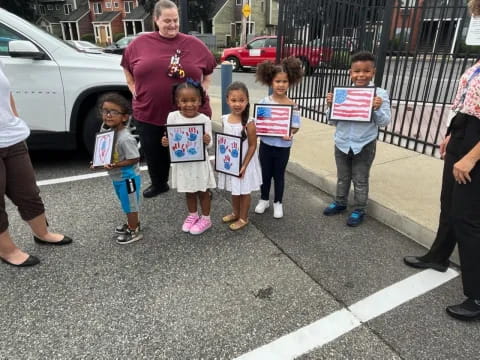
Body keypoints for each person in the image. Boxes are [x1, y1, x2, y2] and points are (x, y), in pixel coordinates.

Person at [403, 60, 480, 320]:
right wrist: (452, 132)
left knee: (466, 218)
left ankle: (477, 295)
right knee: (447, 204)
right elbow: (466, 102)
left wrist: (471, 157)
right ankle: (438, 256)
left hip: (476, 144)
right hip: (463, 131)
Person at [121, 0, 217, 199]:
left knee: (195, 150)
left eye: (175, 20)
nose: (172, 24)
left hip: (191, 112)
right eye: (167, 20)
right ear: (156, 20)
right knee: (154, 151)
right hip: (149, 110)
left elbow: (208, 71)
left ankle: (202, 186)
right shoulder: (139, 44)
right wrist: (132, 87)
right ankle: (159, 183)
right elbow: (127, 68)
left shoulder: (194, 45)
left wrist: (203, 90)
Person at [0, 62, 72, 267]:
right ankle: (7, 250)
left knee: (28, 191)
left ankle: (42, 233)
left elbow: (6, 94)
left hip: (11, 136)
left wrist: (15, 120)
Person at [323, 51, 391, 227]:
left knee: (360, 179)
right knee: (343, 176)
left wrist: (377, 108)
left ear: (373, 72)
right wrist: (330, 106)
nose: (361, 75)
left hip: (364, 143)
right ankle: (340, 202)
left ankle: (359, 209)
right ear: (350, 72)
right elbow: (332, 120)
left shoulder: (380, 94)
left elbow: (384, 122)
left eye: (366, 71)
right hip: (342, 142)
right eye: (357, 71)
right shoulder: (342, 93)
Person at [161, 80, 216, 235]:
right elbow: (171, 139)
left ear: (200, 100)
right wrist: (166, 142)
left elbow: (209, 144)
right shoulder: (172, 117)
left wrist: (207, 140)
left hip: (199, 164)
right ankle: (193, 215)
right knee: (189, 191)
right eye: (184, 101)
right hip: (183, 163)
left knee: (203, 191)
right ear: (177, 101)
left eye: (193, 100)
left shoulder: (204, 120)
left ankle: (206, 218)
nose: (189, 104)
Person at [254, 57, 303, 219]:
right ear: (271, 82)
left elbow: (295, 125)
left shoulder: (293, 105)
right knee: (265, 174)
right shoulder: (264, 102)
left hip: (283, 146)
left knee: (279, 175)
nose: (281, 85)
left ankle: (278, 202)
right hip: (266, 145)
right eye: (277, 81)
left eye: (285, 81)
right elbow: (259, 123)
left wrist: (291, 132)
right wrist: (258, 128)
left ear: (290, 82)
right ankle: (264, 199)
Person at [95, 93, 142, 244]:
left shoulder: (125, 138)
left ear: (124, 117)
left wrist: (115, 165)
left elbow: (134, 158)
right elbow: (105, 154)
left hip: (128, 178)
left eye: (114, 112)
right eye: (105, 111)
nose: (108, 115)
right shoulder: (108, 134)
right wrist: (97, 162)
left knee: (130, 205)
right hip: (117, 177)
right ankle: (132, 224)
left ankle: (134, 230)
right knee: (125, 203)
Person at [218, 82, 262, 230]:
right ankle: (235, 212)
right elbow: (224, 142)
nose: (237, 104)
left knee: (244, 191)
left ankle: (244, 218)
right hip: (231, 162)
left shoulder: (249, 123)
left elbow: (252, 145)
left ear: (247, 100)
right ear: (227, 100)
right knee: (235, 189)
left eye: (241, 100)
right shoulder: (224, 119)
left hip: (245, 163)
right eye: (234, 100)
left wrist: (244, 165)